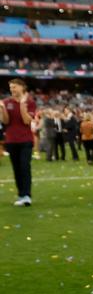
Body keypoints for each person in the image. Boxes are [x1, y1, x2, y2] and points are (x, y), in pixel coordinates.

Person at [1, 78, 36, 206]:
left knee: (25, 166)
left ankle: (27, 195)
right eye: (11, 87)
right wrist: (2, 109)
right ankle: (21, 194)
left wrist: (22, 105)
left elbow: (27, 121)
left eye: (14, 87)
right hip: (11, 140)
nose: (12, 89)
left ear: (22, 87)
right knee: (16, 169)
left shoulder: (30, 102)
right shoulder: (6, 102)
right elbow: (5, 121)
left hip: (26, 140)